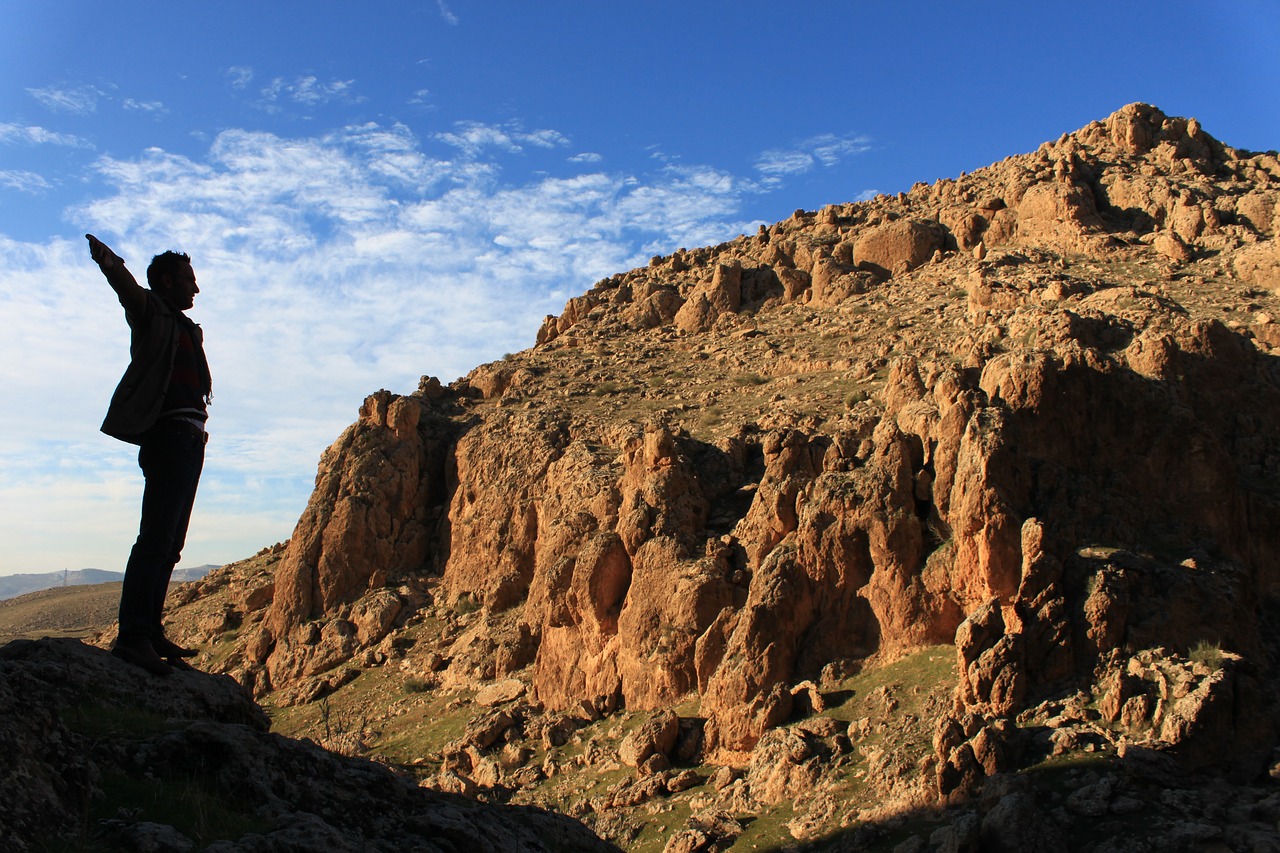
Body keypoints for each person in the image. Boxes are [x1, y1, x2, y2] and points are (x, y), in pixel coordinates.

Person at [86, 233, 211, 676]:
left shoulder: (185, 327)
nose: (195, 288)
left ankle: (150, 631)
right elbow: (128, 290)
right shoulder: (151, 312)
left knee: (171, 544)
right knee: (155, 538)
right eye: (188, 280)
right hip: (168, 436)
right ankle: (132, 638)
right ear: (164, 281)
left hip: (191, 438)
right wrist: (110, 261)